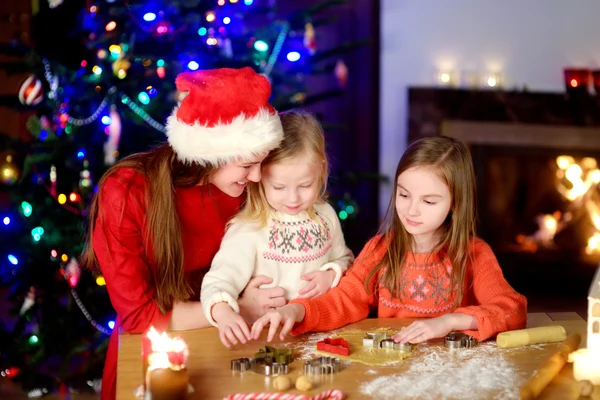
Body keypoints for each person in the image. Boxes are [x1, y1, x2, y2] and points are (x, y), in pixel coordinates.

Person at [81, 67, 286, 400]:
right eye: (248, 164)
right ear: (211, 152)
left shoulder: (240, 190)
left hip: (231, 342)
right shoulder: (126, 192)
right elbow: (139, 316)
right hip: (158, 354)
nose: (257, 176)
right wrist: (238, 308)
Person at [251, 136, 527, 344]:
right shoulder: (381, 249)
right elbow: (344, 299)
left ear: (456, 204)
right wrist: (296, 311)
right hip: (393, 366)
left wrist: (450, 321)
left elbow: (512, 309)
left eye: (429, 201)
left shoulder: (474, 254)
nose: (411, 210)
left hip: (450, 371)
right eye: (404, 195)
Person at [201, 110, 354, 348]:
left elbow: (345, 259)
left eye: (305, 185)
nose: (293, 198)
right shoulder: (249, 228)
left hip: (319, 338)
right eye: (279, 187)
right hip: (267, 342)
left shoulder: (325, 216)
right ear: (260, 176)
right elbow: (219, 281)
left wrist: (332, 273)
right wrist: (224, 314)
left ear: (321, 170)